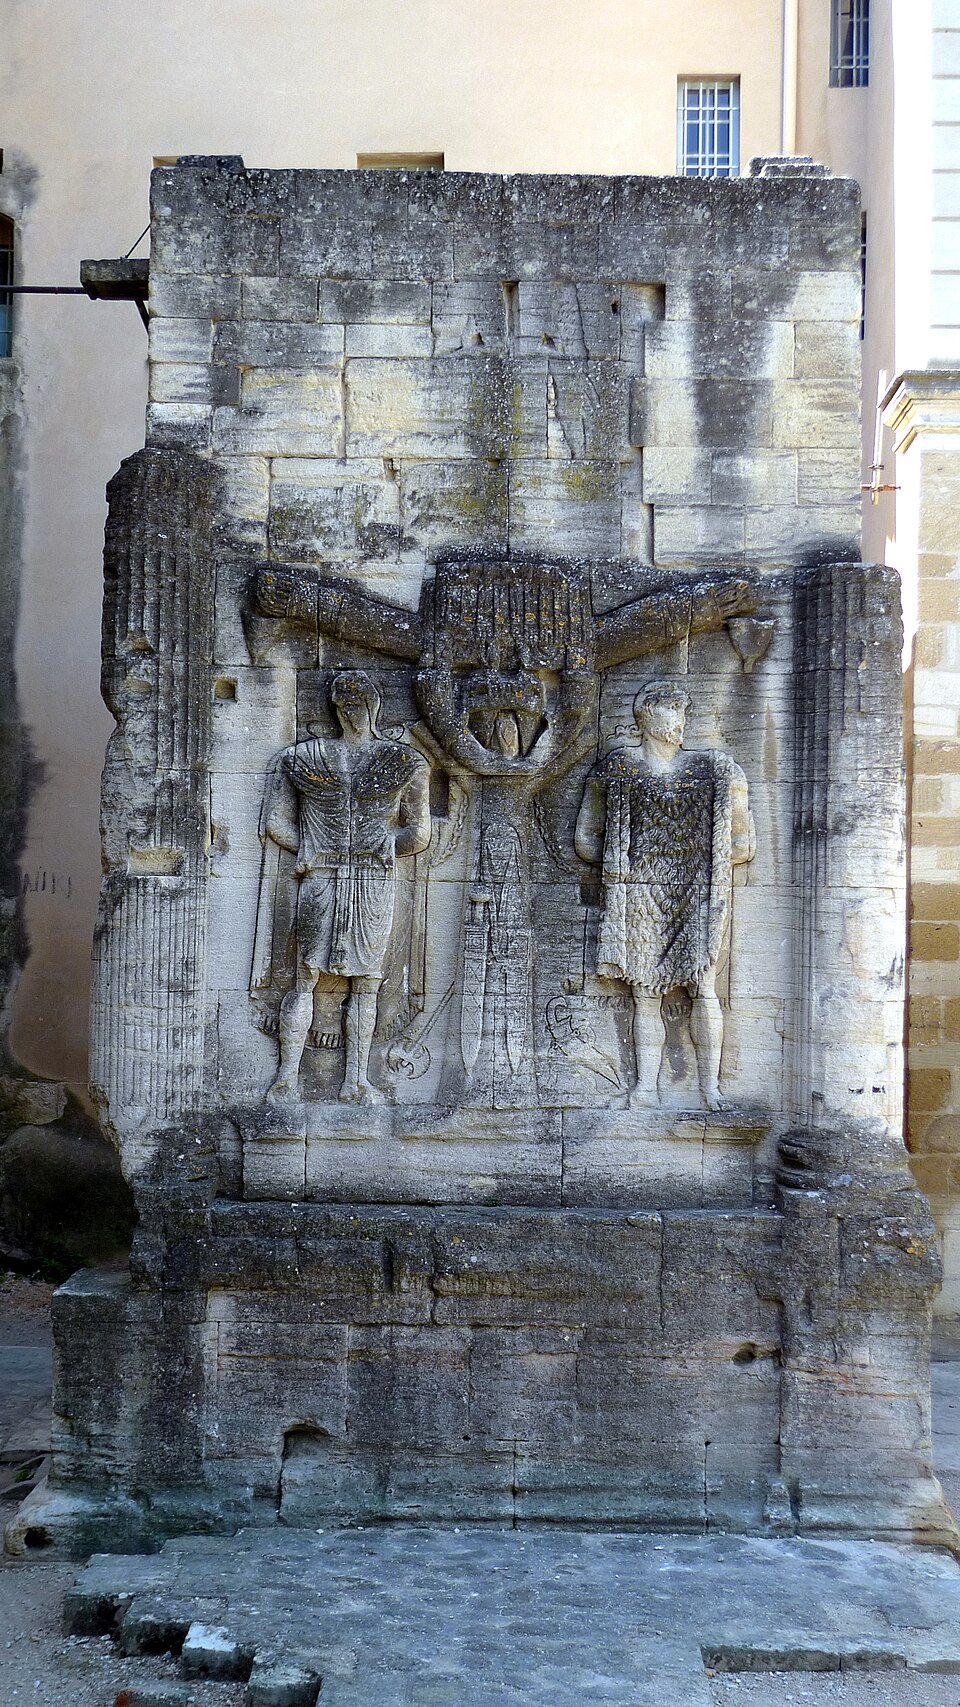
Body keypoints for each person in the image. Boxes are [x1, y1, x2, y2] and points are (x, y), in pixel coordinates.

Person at [575, 680, 754, 1111]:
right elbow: (586, 837)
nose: (680, 719)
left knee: (703, 986)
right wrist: (629, 864)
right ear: (646, 715)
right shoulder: (618, 768)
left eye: (683, 710)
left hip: (697, 894)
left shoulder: (716, 768)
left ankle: (710, 1089)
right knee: (643, 992)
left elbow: (745, 844)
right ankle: (645, 1089)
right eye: (671, 709)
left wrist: (694, 857)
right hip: (639, 894)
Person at [255, 670, 431, 1104]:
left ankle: (355, 1081)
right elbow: (277, 822)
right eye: (342, 703)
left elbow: (419, 833)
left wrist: (386, 845)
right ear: (334, 708)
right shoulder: (302, 758)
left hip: (372, 880)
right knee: (306, 977)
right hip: (321, 877)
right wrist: (313, 849)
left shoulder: (405, 762)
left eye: (358, 702)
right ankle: (286, 1079)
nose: (350, 710)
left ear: (374, 704)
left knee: (367, 983)